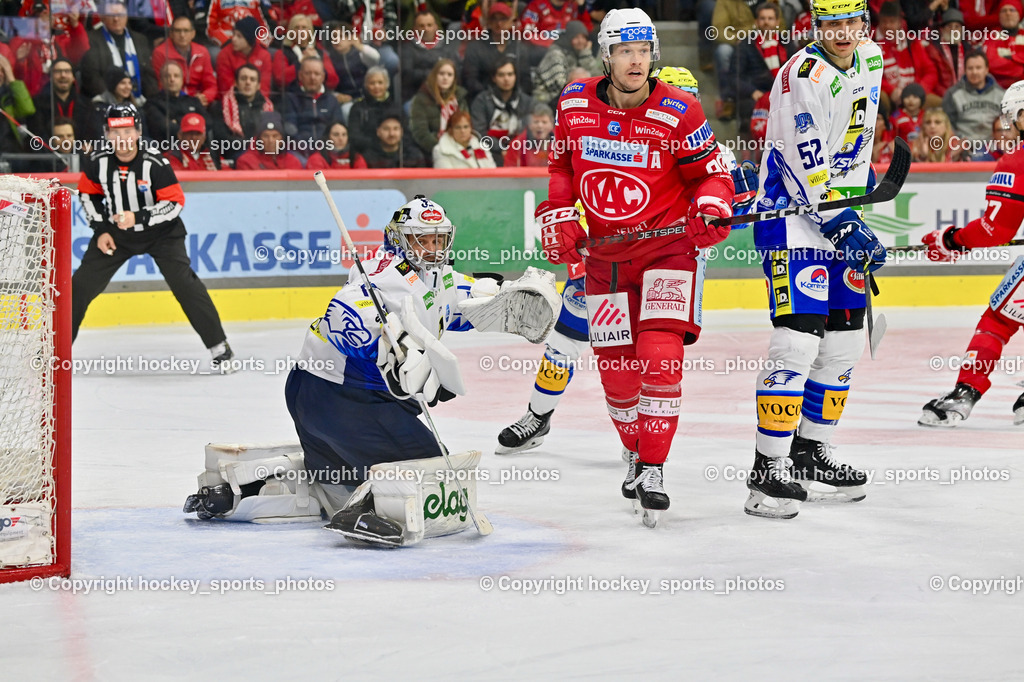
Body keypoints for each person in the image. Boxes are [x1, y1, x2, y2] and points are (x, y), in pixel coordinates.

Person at [183, 197, 560, 546]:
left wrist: (506, 296)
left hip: (313, 397)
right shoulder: (382, 277)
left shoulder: (439, 277)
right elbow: (340, 314)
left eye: (438, 239)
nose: (432, 249)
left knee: (333, 486)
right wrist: (388, 352)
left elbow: (463, 303)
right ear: (399, 241)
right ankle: (362, 514)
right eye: (422, 240)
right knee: (435, 478)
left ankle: (240, 490)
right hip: (347, 401)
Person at [535, 9, 735, 527]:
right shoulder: (575, 102)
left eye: (644, 51)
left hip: (668, 253)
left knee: (660, 357)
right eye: (626, 51)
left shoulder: (679, 110)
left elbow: (713, 177)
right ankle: (633, 452)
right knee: (618, 375)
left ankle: (654, 467)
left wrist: (711, 206)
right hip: (605, 260)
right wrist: (557, 213)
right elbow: (560, 165)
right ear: (606, 55)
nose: (637, 60)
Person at [497, 65, 758, 458]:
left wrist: (726, 211)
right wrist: (570, 227)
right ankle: (539, 414)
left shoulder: (714, 153)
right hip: (609, 259)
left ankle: (641, 440)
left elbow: (724, 224)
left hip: (671, 264)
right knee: (567, 339)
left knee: (652, 353)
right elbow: (587, 184)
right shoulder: (622, 122)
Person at [745, 0, 887, 520]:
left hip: (839, 215)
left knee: (845, 342)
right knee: (796, 344)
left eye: (852, 22)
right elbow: (804, 160)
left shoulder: (871, 59)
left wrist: (858, 198)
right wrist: (841, 220)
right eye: (831, 23)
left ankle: (809, 452)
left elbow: (857, 137)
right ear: (815, 26)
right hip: (792, 223)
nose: (843, 32)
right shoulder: (802, 76)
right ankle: (767, 471)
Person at [72, 103, 235, 370]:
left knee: (185, 284)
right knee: (79, 287)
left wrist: (139, 217)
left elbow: (174, 203)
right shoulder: (97, 163)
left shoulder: (155, 162)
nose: (122, 139)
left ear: (137, 133)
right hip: (116, 235)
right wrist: (100, 230)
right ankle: (56, 353)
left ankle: (220, 347)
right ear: (106, 134)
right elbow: (88, 196)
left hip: (162, 234)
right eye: (115, 133)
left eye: (127, 132)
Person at [919, 81, 1024, 428]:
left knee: (998, 320)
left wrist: (951, 240)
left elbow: (996, 230)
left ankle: (964, 394)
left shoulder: (1017, 162)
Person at [79, 0, 158, 100]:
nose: (116, 19)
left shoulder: (140, 40)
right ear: (103, 17)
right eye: (111, 15)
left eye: (120, 15)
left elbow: (148, 76)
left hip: (138, 100)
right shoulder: (92, 39)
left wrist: (152, 101)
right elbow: (92, 77)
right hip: (106, 101)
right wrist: (114, 99)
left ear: (127, 16)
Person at [470, 57, 534, 166]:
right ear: (494, 78)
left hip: (520, 151)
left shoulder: (526, 101)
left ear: (515, 77)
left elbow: (530, 131)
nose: (506, 79)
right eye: (501, 75)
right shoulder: (482, 101)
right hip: (490, 152)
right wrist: (501, 149)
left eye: (510, 74)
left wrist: (513, 149)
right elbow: (479, 133)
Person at [209, 64, 274, 163]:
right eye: (244, 79)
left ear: (258, 85)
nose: (248, 82)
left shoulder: (268, 107)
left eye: (252, 80)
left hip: (264, 152)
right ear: (236, 83)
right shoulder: (221, 106)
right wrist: (249, 145)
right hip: (235, 153)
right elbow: (220, 137)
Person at [151, 15, 218, 108]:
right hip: (172, 102)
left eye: (186, 31)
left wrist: (205, 97)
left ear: (193, 34)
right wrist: (188, 101)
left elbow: (211, 85)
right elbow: (162, 85)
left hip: (199, 102)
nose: (182, 35)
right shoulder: (160, 53)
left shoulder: (202, 52)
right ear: (171, 34)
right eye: (178, 31)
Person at [530, 20, 601, 104]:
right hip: (545, 101)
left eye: (583, 37)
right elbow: (560, 85)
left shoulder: (578, 53)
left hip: (569, 99)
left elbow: (596, 79)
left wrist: (585, 54)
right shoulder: (555, 54)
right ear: (568, 38)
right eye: (576, 37)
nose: (581, 41)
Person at [409, 58, 468, 158]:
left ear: (454, 79)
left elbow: (466, 127)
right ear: (434, 76)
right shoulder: (421, 99)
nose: (445, 78)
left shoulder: (460, 98)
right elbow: (420, 133)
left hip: (458, 148)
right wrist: (442, 148)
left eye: (449, 75)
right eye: (441, 74)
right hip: (433, 150)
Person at [942, 52, 1006, 144]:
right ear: (965, 70)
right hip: (962, 147)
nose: (974, 72)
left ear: (986, 69)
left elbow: (1007, 126)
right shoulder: (952, 94)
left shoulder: (1002, 95)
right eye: (970, 68)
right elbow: (947, 125)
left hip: (993, 147)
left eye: (978, 68)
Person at [215, 16, 273, 100]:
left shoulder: (264, 56)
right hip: (231, 101)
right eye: (233, 34)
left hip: (257, 102)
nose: (233, 39)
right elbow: (225, 87)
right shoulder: (224, 54)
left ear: (249, 39)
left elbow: (264, 87)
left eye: (239, 36)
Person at [234, 111, 304, 169]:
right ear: (259, 139)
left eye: (275, 136)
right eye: (265, 136)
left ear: (282, 139)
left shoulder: (292, 161)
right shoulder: (246, 161)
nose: (271, 140)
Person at [431, 110, 495, 168]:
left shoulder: (481, 147)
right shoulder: (441, 150)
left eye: (466, 127)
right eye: (458, 127)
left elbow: (493, 171)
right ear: (450, 130)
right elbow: (446, 178)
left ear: (471, 128)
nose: (462, 131)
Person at [362, 114, 427, 168]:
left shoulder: (414, 155)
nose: (391, 134)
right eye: (386, 129)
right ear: (378, 132)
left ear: (401, 132)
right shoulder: (368, 156)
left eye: (396, 129)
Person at [502, 102, 554, 167]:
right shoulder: (517, 144)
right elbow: (509, 172)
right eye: (536, 122)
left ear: (552, 124)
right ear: (529, 124)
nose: (540, 126)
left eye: (544, 122)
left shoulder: (561, 143)